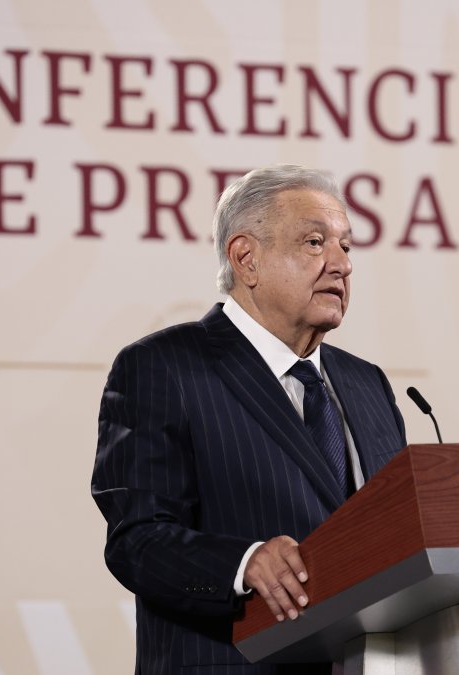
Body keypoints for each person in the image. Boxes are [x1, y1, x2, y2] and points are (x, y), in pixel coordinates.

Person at [91, 164, 407, 674]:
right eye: (314, 242)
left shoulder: (368, 384)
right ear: (246, 258)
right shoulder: (166, 366)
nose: (341, 265)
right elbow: (138, 540)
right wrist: (241, 563)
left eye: (346, 247)